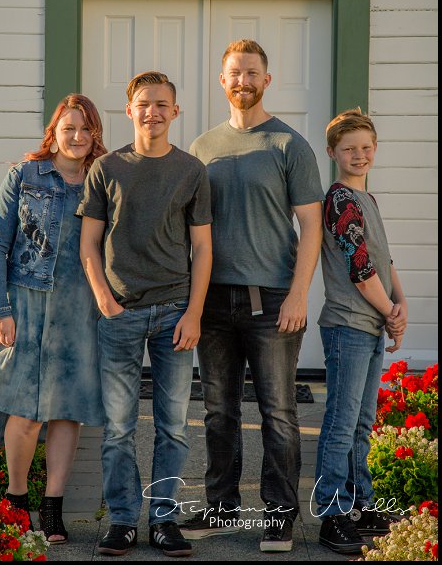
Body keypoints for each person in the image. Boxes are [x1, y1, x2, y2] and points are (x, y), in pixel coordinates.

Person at [180, 40, 324, 552]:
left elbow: (312, 226)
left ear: (267, 80)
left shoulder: (289, 145)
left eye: (252, 72)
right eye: (234, 73)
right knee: (218, 411)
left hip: (274, 300)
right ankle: (220, 509)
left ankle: (279, 517)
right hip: (214, 302)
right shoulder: (202, 148)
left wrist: (299, 294)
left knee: (279, 412)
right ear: (222, 81)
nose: (242, 80)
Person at [0, 94, 110, 543]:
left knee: (66, 410)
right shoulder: (23, 175)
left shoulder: (103, 181)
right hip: (24, 304)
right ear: (54, 132)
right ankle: (16, 500)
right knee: (24, 411)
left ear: (95, 134)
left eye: (86, 129)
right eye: (69, 128)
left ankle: (53, 508)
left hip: (80, 308)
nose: (77, 137)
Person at [79, 70, 212, 557]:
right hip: (120, 313)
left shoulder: (191, 171)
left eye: (162, 104)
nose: (152, 112)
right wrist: (104, 300)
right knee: (118, 428)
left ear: (175, 112)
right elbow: (89, 243)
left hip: (175, 311)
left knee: (173, 426)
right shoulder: (107, 169)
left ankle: (163, 520)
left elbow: (203, 248)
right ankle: (121, 521)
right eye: (143, 104)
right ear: (129, 110)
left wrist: (194, 313)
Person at [314, 109, 409, 555]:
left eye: (366, 148)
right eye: (350, 149)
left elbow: (384, 262)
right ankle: (331, 512)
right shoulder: (339, 201)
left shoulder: (366, 199)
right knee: (340, 423)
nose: (359, 155)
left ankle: (360, 504)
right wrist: (390, 309)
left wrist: (400, 304)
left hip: (371, 322)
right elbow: (361, 268)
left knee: (362, 424)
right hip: (348, 326)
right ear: (332, 152)